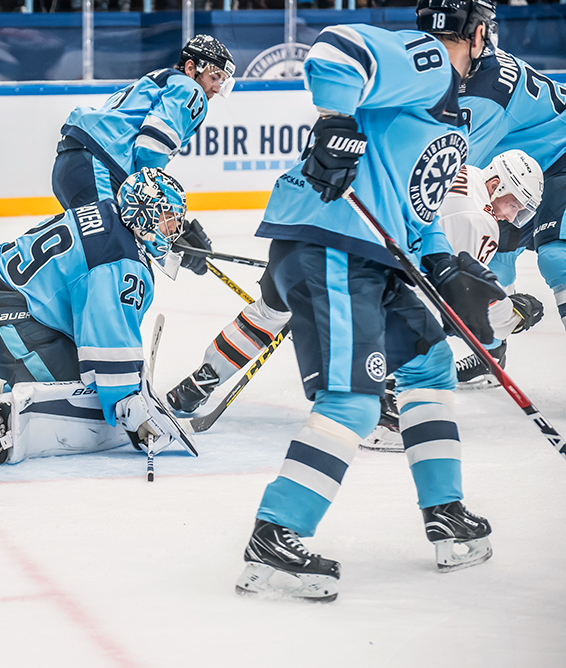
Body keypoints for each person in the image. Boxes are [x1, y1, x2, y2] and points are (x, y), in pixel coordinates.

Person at [228, 0, 505, 601]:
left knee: (429, 363)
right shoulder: (431, 62)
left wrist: (441, 260)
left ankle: (446, 512)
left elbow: (420, 204)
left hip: (377, 257)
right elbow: (336, 50)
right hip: (337, 245)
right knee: (353, 400)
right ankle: (275, 537)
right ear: (477, 33)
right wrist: (336, 122)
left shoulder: (452, 113)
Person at [166, 149, 546, 450]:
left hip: (302, 235)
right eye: (516, 203)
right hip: (352, 267)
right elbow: (457, 303)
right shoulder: (479, 219)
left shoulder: (456, 169)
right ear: (498, 184)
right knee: (419, 321)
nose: (514, 216)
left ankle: (198, 383)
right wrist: (514, 315)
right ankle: (381, 405)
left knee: (268, 312)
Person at [0, 168, 195, 464]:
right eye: (168, 216)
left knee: (89, 380)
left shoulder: (109, 214)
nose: (175, 226)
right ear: (144, 213)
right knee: (85, 397)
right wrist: (130, 406)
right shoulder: (119, 260)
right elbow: (106, 340)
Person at [52, 34, 236, 277]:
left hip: (74, 164)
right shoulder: (190, 89)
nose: (216, 87)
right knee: (118, 260)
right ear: (191, 68)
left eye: (221, 81)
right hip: (100, 166)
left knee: (91, 255)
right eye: (214, 77)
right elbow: (151, 148)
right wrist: (165, 223)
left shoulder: (155, 81)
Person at [441, 32, 566, 386]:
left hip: (559, 157)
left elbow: (446, 183)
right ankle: (491, 350)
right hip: (528, 173)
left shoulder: (481, 96)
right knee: (494, 247)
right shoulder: (473, 68)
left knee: (557, 254)